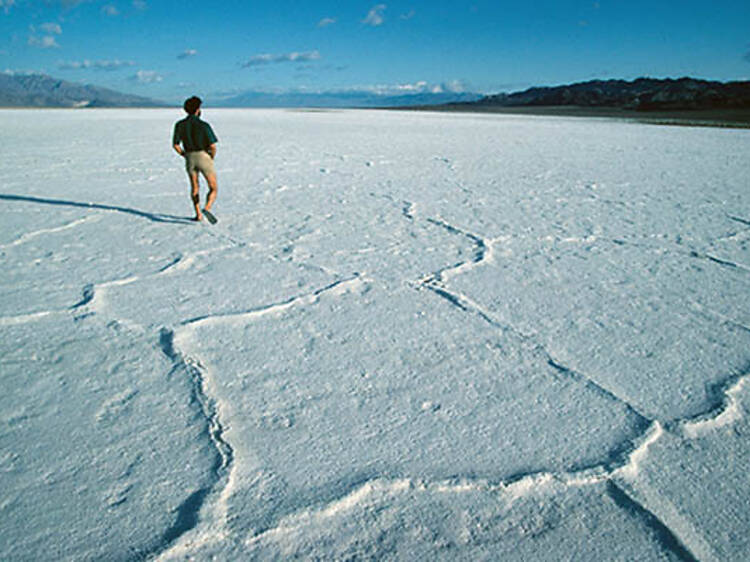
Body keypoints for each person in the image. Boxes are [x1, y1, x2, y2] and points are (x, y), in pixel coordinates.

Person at [172, 96, 218, 222]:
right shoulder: (203, 125)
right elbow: (213, 146)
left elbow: (175, 145)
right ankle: (207, 208)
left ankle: (198, 214)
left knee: (195, 187)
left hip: (190, 158)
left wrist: (184, 154)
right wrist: (211, 157)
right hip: (204, 157)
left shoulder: (180, 125)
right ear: (198, 109)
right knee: (213, 187)